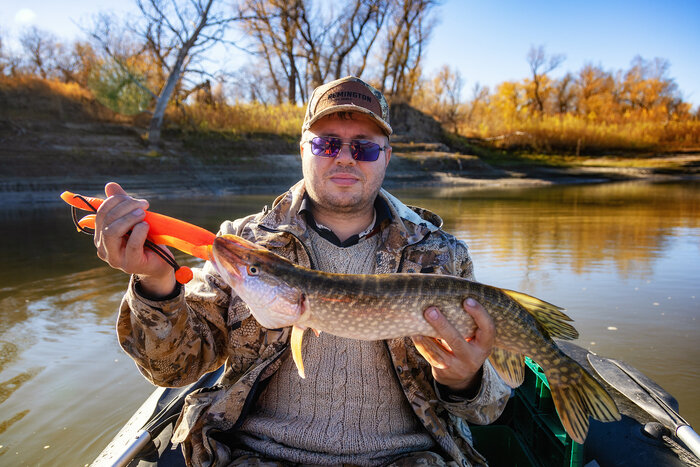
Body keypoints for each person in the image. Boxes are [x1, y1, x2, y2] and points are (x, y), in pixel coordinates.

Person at [95, 76, 510, 467]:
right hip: (257, 456)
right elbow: (174, 371)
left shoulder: (441, 255)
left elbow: (490, 407)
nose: (345, 158)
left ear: (386, 156)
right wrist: (156, 283)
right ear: (303, 149)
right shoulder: (244, 241)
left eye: (363, 148)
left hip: (408, 457)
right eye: (327, 145)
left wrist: (466, 379)